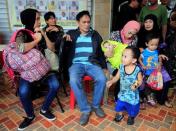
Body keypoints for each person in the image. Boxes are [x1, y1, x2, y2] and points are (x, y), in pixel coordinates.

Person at [13, 9, 59, 130]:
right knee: (23, 92)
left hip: (44, 69)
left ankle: (44, 109)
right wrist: (36, 40)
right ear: (30, 19)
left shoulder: (41, 30)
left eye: (39, 18)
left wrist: (43, 35)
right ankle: (30, 116)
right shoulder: (21, 34)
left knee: (55, 85)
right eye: (37, 18)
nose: (39, 21)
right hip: (29, 72)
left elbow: (52, 48)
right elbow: (21, 48)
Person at [64, 10, 107, 125]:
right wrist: (62, 37)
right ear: (78, 22)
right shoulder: (71, 34)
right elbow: (59, 43)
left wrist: (104, 66)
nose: (87, 24)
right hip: (76, 64)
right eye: (84, 22)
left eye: (88, 22)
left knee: (102, 79)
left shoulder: (95, 34)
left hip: (92, 63)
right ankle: (85, 109)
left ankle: (96, 105)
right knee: (73, 80)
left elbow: (102, 51)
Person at [106, 46, 143, 125]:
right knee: (119, 105)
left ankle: (131, 116)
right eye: (122, 55)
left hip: (132, 95)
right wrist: (112, 81)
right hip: (123, 93)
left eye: (125, 56)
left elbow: (140, 80)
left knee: (132, 108)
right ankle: (120, 115)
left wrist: (135, 85)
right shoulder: (121, 66)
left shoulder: (137, 70)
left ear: (133, 60)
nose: (122, 58)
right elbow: (117, 77)